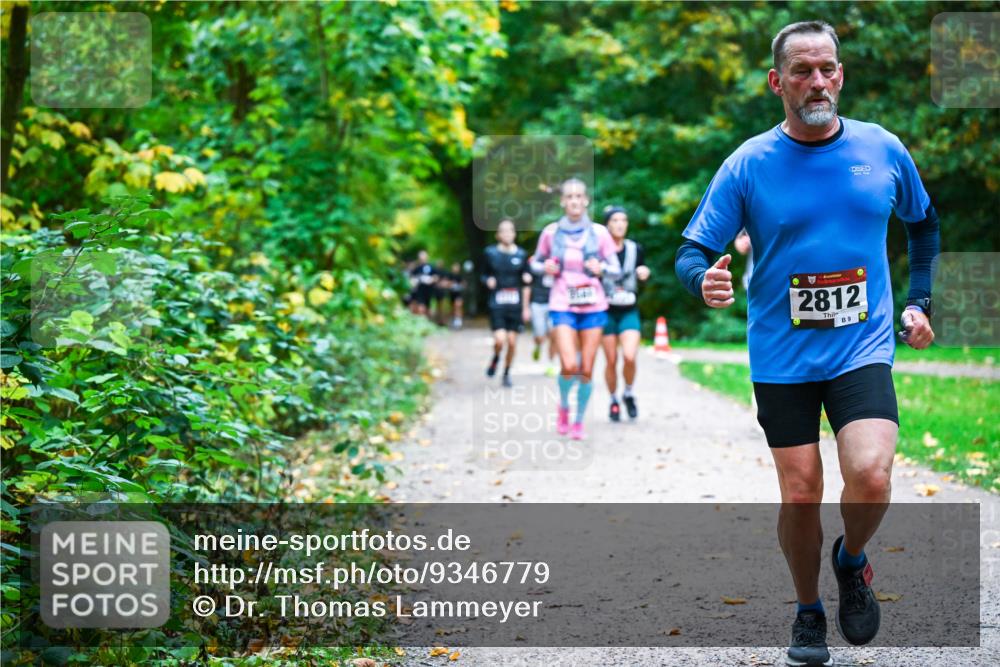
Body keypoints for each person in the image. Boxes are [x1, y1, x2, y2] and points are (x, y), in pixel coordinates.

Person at [674, 20, 938, 667]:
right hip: (782, 355)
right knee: (799, 493)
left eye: (827, 68)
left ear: (841, 74)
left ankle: (851, 561)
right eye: (801, 70)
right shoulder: (749, 163)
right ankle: (808, 609)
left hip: (862, 346)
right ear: (777, 82)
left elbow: (924, 226)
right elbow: (692, 248)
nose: (816, 80)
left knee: (871, 474)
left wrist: (919, 300)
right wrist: (701, 279)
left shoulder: (883, 150)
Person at [530, 178, 621, 440]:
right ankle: (563, 406)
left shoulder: (600, 233)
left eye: (578, 196)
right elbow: (535, 264)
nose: (574, 201)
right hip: (562, 303)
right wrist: (545, 267)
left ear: (586, 201)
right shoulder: (550, 232)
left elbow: (616, 270)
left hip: (594, 305)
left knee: (587, 369)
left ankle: (579, 421)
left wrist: (601, 269)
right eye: (569, 197)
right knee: (569, 364)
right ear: (562, 202)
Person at [600, 206, 650, 422]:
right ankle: (613, 399)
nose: (620, 224)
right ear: (607, 224)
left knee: (629, 356)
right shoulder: (598, 250)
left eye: (624, 220)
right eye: (615, 220)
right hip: (605, 311)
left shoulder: (635, 248)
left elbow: (642, 270)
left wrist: (644, 273)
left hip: (629, 309)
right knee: (610, 360)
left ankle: (628, 393)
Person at [482, 219, 531, 387]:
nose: (507, 234)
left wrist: (525, 307)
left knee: (511, 342)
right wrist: (488, 280)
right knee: (499, 340)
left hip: (515, 305)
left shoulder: (521, 255)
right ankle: (496, 357)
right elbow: (483, 274)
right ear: (497, 235)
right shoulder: (490, 253)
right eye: (503, 231)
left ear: (514, 234)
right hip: (498, 303)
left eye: (510, 231)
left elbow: (526, 283)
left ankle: (506, 372)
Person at [525, 251, 557, 376]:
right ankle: (538, 345)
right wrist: (526, 307)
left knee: (554, 334)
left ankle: (551, 363)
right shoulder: (535, 261)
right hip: (537, 302)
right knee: (540, 335)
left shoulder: (560, 259)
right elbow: (526, 284)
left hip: (555, 303)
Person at [408, 250, 437, 318]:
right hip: (420, 291)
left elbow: (436, 277)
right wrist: (415, 281)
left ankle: (428, 323)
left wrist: (431, 280)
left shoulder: (431, 267)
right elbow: (411, 279)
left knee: (428, 309)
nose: (422, 258)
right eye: (421, 256)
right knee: (421, 308)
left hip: (429, 291)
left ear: (427, 257)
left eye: (424, 256)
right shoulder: (416, 268)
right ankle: (422, 324)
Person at [447, 262, 466, 329]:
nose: (456, 268)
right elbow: (447, 284)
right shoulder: (450, 275)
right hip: (452, 294)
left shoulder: (460, 276)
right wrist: (451, 284)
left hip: (459, 294)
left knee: (458, 306)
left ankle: (459, 321)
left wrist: (460, 285)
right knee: (454, 308)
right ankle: (455, 320)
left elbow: (464, 284)